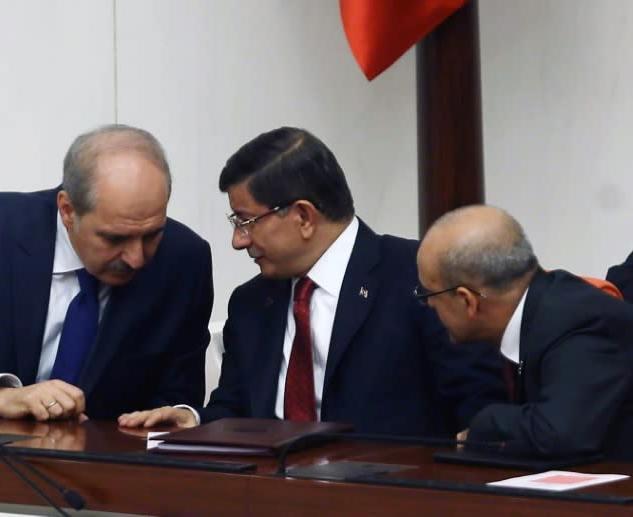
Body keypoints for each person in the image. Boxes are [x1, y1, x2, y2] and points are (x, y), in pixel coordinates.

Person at [118, 126, 506, 436]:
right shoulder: (252, 303)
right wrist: (193, 421)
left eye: (246, 222)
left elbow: (480, 413)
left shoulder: (420, 280)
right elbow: (236, 409)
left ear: (303, 216)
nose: (239, 241)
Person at [0, 124, 214, 421]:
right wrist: (2, 395)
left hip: (111, 475)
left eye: (152, 234)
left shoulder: (184, 260)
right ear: (68, 210)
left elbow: (177, 402)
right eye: (115, 238)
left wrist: (175, 416)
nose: (137, 258)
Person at [416, 204, 633, 459]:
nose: (429, 304)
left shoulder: (579, 320)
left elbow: (558, 433)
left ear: (468, 301)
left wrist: (483, 423)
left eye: (430, 294)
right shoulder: (542, 308)